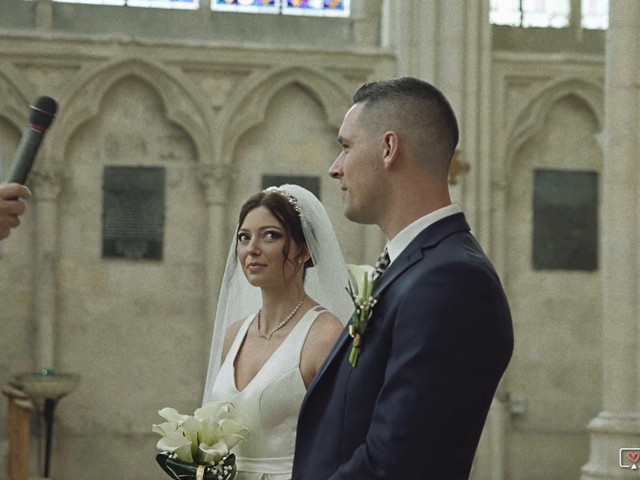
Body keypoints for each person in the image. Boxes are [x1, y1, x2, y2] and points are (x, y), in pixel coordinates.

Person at [291, 77, 514, 479]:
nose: (334, 168)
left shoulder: (452, 282)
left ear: (389, 148)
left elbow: (397, 464)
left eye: (345, 147)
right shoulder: (414, 267)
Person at [201, 184, 355, 480]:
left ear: (305, 249)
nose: (251, 249)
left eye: (270, 235)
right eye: (244, 237)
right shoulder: (234, 335)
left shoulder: (324, 336)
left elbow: (341, 445)